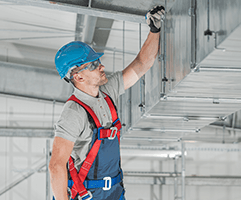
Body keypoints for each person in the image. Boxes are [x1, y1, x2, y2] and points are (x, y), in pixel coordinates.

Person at [49, 5, 165, 200]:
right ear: (78, 77)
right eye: (93, 65)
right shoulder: (74, 112)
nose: (101, 66)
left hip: (114, 192)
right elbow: (56, 165)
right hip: (87, 195)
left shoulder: (107, 91)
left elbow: (142, 64)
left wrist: (155, 30)